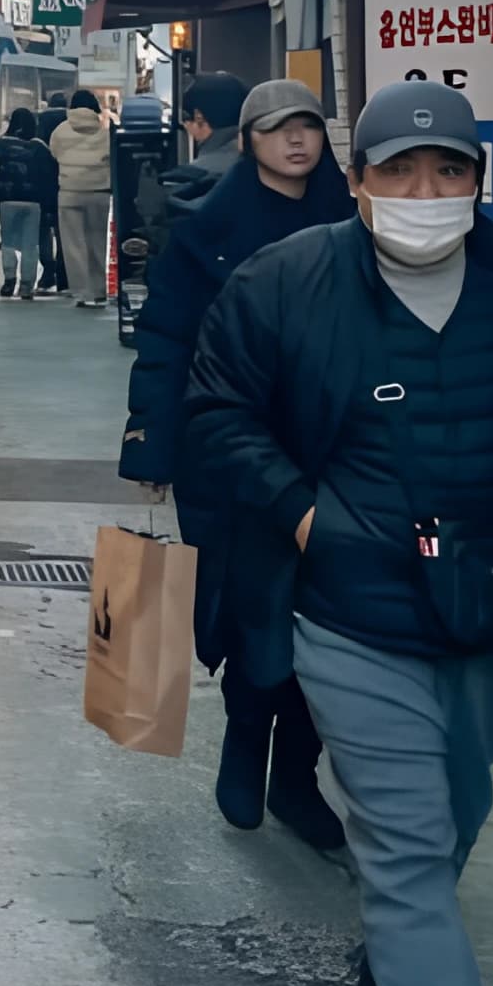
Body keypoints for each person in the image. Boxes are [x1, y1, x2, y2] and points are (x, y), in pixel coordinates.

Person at [188, 83, 493, 986]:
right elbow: (217, 412)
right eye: (396, 170)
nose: (422, 191)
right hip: (352, 611)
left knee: (461, 802)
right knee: (401, 831)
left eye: (446, 170)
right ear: (354, 181)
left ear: (476, 182)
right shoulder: (285, 281)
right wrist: (305, 519)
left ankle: (396, 961)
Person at [120, 80, 352, 851]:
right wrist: (151, 444)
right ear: (248, 138)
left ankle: (294, 771)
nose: (296, 142)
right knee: (250, 609)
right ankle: (246, 736)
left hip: (336, 456)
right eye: (278, 129)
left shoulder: (357, 221)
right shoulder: (208, 227)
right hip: (228, 451)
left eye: (308, 128)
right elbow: (167, 336)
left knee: (329, 619)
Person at [48, 88, 111, 308]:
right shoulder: (104, 131)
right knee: (98, 242)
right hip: (99, 192)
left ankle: (82, 292)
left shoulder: (60, 131)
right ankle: (99, 290)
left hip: (70, 192)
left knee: (74, 245)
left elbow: (53, 153)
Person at [0, 106, 57, 300]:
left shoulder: (1, 145)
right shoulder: (40, 148)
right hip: (34, 203)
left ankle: (9, 280)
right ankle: (27, 285)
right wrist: (50, 206)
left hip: (7, 200)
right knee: (30, 244)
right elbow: (49, 178)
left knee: (8, 241)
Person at [163, 69, 248, 215]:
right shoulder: (262, 167)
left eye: (185, 117)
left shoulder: (186, 179)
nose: (184, 125)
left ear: (198, 117)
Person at [35, 90, 71, 294]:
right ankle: (63, 273)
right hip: (65, 177)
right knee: (62, 230)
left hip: (43, 178)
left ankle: (47, 272)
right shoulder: (69, 118)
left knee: (43, 229)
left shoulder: (42, 118)